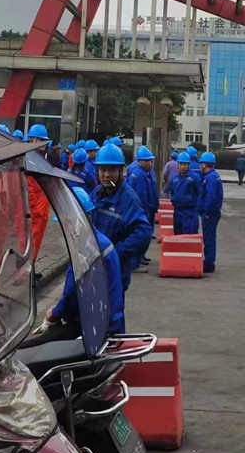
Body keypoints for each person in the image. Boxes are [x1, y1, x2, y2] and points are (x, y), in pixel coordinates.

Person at [41, 187, 125, 340]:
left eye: (69, 221)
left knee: (37, 348)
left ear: (85, 219)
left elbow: (72, 292)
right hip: (106, 320)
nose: (66, 226)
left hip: (97, 328)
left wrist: (55, 313)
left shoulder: (87, 249)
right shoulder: (98, 241)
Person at [89, 143, 152, 291]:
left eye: (111, 170)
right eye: (103, 169)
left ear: (120, 171)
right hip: (95, 268)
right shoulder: (96, 194)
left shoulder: (128, 199)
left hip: (115, 273)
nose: (106, 175)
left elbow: (143, 234)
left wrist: (115, 252)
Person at [125, 146, 159, 271]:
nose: (151, 163)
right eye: (149, 160)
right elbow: (142, 196)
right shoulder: (139, 175)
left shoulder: (145, 173)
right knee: (139, 236)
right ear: (141, 161)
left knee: (144, 236)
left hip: (146, 209)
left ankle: (139, 258)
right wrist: (145, 212)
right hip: (142, 210)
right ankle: (135, 263)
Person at [26, 124, 52, 260]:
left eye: (44, 141)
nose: (43, 144)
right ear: (31, 140)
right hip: (35, 212)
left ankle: (30, 266)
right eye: (40, 140)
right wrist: (34, 210)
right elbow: (28, 186)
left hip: (41, 211)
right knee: (30, 246)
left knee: (35, 245)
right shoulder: (28, 159)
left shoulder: (40, 158)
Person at [197, 152, 223, 274]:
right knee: (210, 237)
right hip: (212, 212)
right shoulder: (213, 176)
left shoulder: (210, 178)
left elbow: (210, 196)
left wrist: (206, 211)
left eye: (201, 164)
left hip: (210, 213)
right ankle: (209, 261)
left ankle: (209, 263)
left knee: (209, 238)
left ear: (205, 165)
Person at [169, 152, 200, 235]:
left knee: (188, 236)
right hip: (177, 211)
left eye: (184, 164)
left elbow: (199, 193)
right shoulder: (175, 178)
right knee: (177, 234)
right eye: (180, 164)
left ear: (188, 165)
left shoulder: (194, 178)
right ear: (178, 165)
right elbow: (172, 191)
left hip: (189, 212)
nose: (182, 167)